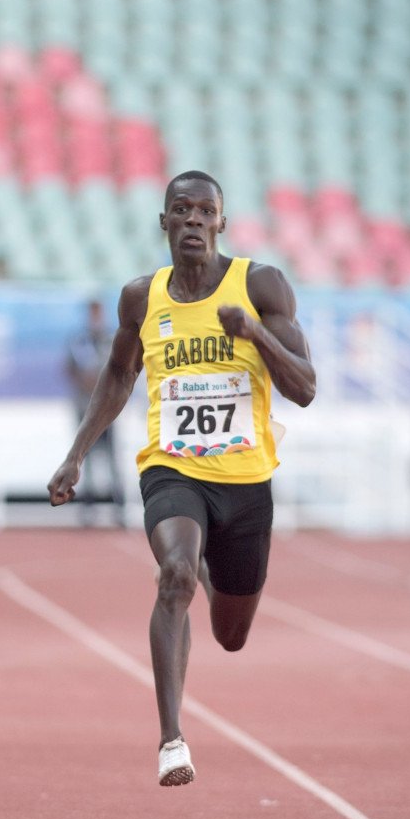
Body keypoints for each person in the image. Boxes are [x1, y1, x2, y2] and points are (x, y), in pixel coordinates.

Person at [47, 171, 316, 786]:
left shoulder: (262, 285)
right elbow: (117, 376)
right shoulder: (141, 298)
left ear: (221, 222)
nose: (193, 220)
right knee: (173, 574)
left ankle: (207, 562)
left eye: (205, 211)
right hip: (171, 468)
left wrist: (254, 336)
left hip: (246, 480)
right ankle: (172, 738)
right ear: (163, 222)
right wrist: (76, 454)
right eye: (181, 210)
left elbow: (304, 387)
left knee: (231, 632)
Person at [64, 296, 125, 516]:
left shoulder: (112, 339)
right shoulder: (79, 341)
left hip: (108, 408)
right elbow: (69, 369)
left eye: (99, 313)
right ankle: (87, 506)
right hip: (85, 406)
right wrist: (86, 382)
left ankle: (118, 506)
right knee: (83, 456)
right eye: (93, 313)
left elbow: (122, 369)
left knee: (111, 456)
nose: (96, 318)